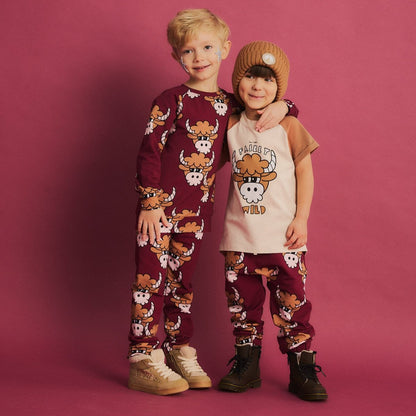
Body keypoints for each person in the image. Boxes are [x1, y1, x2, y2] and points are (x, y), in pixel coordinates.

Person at [128, 10, 298, 396]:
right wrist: (150, 202)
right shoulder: (170, 100)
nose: (199, 57)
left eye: (207, 47)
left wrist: (286, 106)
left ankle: (178, 349)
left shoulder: (229, 105)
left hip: (196, 215)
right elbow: (149, 151)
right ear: (177, 56)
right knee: (149, 282)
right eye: (188, 51)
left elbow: (263, 102)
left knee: (182, 285)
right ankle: (142, 357)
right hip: (157, 213)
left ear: (224, 49)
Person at [218, 41, 328, 401]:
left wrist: (302, 217)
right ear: (238, 80)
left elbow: (305, 172)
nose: (258, 86)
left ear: (278, 88)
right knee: (242, 306)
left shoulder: (289, 124)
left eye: (268, 80)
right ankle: (247, 365)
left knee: (293, 304)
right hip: (239, 238)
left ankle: (301, 369)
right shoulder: (229, 123)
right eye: (251, 76)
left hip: (283, 238)